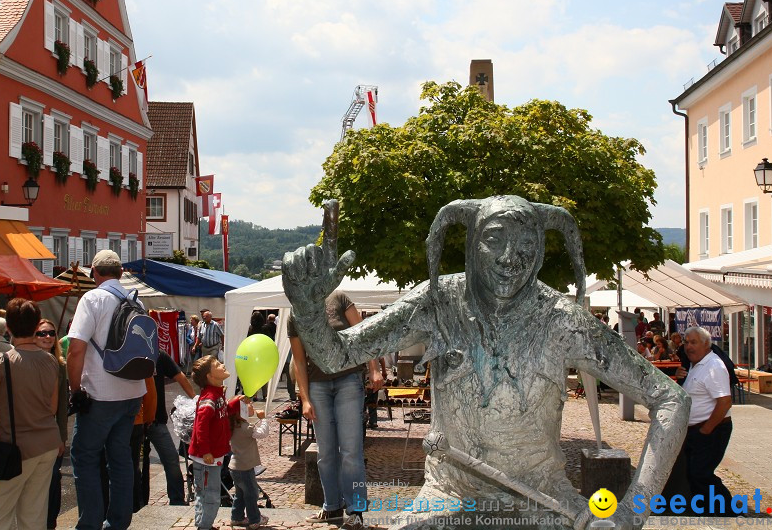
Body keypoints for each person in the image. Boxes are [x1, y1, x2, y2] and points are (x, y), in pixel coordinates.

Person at [282, 197, 689, 529]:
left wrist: (632, 512)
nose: (512, 257)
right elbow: (338, 354)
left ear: (543, 249)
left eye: (527, 242)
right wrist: (308, 307)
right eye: (494, 238)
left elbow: (670, 400)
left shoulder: (563, 321)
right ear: (471, 242)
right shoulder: (438, 301)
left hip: (544, 500)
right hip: (448, 496)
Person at [289, 291, 383, 530]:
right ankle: (331, 507)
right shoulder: (295, 312)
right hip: (317, 385)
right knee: (326, 453)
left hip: (348, 379)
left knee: (351, 451)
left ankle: (356, 511)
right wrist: (305, 398)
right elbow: (299, 360)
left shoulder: (338, 299)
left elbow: (363, 336)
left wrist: (373, 369)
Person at [67, 250, 146, 530]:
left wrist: (75, 390)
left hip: (101, 392)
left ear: (95, 272)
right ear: (121, 272)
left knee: (86, 457)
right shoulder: (136, 301)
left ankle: (89, 523)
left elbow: (76, 349)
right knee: (120, 457)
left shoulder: (93, 298)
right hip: (133, 391)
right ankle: (119, 521)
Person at [0, 299, 60, 529]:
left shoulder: (1, 361)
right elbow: (52, 408)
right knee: (33, 516)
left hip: (12, 446)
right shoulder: (51, 361)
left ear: (8, 328)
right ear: (35, 327)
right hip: (47, 443)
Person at [673, 326, 734, 514]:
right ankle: (709, 512)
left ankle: (728, 513)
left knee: (701, 474)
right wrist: (678, 376)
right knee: (695, 474)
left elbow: (724, 402)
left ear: (706, 345)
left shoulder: (713, 366)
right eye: (686, 342)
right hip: (697, 429)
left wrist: (705, 430)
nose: (689, 346)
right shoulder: (693, 363)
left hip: (712, 430)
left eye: (694, 342)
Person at [189, 355, 234, 530]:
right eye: (217, 364)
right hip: (207, 457)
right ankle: (204, 526)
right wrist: (206, 450)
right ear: (210, 376)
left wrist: (236, 403)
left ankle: (203, 524)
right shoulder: (210, 397)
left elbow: (222, 413)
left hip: (213, 454)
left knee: (204, 493)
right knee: (211, 494)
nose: (222, 365)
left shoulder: (217, 394)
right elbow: (201, 425)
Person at [147, 350, 196, 505]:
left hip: (156, 421)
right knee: (132, 466)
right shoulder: (129, 352)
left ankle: (177, 501)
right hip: (133, 421)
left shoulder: (158, 355)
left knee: (171, 460)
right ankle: (137, 504)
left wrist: (196, 401)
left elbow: (180, 377)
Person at [35, 318, 70, 530]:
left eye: (51, 333)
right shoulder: (25, 360)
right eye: (42, 333)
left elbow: (63, 407)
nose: (47, 337)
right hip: (31, 431)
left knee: (52, 482)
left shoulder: (60, 364)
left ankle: (50, 523)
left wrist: (62, 437)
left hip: (52, 432)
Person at [227, 395, 270, 529]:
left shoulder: (234, 426)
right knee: (251, 494)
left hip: (235, 467)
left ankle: (236, 517)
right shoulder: (245, 427)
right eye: (248, 405)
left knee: (240, 494)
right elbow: (262, 433)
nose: (251, 405)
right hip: (245, 468)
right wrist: (263, 420)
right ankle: (254, 519)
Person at [130, 376, 157, 513]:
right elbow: (150, 395)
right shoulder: (141, 356)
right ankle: (134, 504)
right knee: (132, 466)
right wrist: (147, 418)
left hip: (110, 420)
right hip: (135, 420)